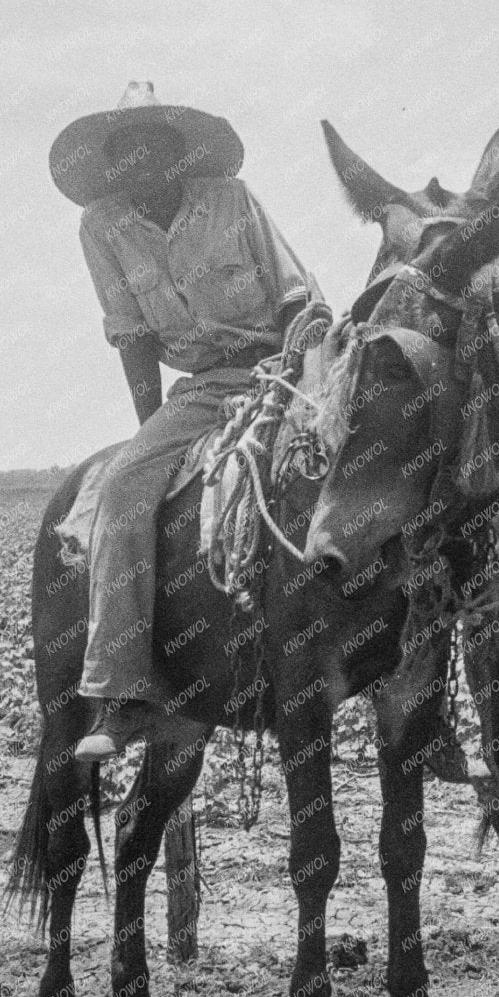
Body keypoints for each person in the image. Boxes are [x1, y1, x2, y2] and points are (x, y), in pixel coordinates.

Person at [54, 84, 322, 762]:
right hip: (202, 385)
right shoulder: (103, 227)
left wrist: (300, 378)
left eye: (158, 146)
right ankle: (120, 692)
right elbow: (133, 337)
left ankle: (421, 695)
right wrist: (152, 440)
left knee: (367, 464)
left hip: (287, 356)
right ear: (114, 167)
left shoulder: (232, 201)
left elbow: (295, 297)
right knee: (121, 490)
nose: (145, 162)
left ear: (180, 154)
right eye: (130, 151)